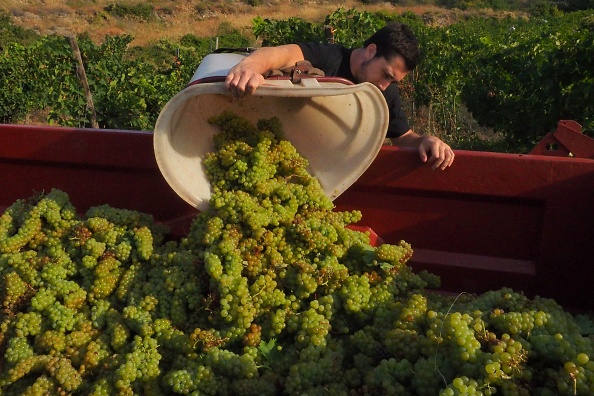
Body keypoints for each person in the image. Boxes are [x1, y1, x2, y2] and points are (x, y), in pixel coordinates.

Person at [225, 22, 455, 170]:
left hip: (326, 172)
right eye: (386, 74)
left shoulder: (385, 92)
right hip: (278, 159)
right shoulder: (328, 57)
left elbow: (403, 137)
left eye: (393, 81)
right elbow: (279, 54)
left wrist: (425, 140)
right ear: (371, 51)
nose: (385, 86)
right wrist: (250, 67)